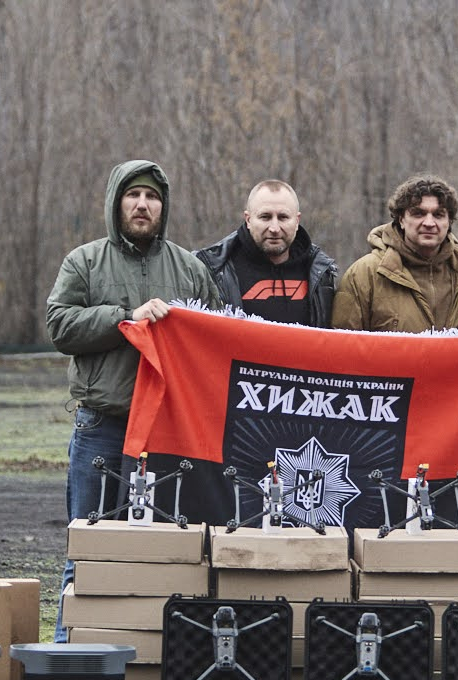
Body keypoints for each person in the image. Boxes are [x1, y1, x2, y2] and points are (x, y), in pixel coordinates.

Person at [45, 159, 222, 640]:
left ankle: (149, 657)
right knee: (88, 550)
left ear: (164, 207)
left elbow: (217, 337)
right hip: (103, 427)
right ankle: (68, 654)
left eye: (152, 197)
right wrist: (125, 318)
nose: (143, 205)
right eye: (133, 195)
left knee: (164, 553)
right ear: (115, 202)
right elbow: (59, 326)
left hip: (168, 436)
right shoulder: (84, 262)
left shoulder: (190, 269)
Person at [331, 174, 458, 332]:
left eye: (438, 214)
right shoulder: (364, 276)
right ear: (401, 219)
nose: (429, 223)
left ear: (449, 222)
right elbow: (343, 345)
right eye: (418, 213)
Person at [196, 179, 338, 327]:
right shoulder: (211, 269)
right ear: (248, 220)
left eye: (283, 217)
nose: (274, 228)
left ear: (297, 221)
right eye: (265, 217)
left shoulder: (321, 272)